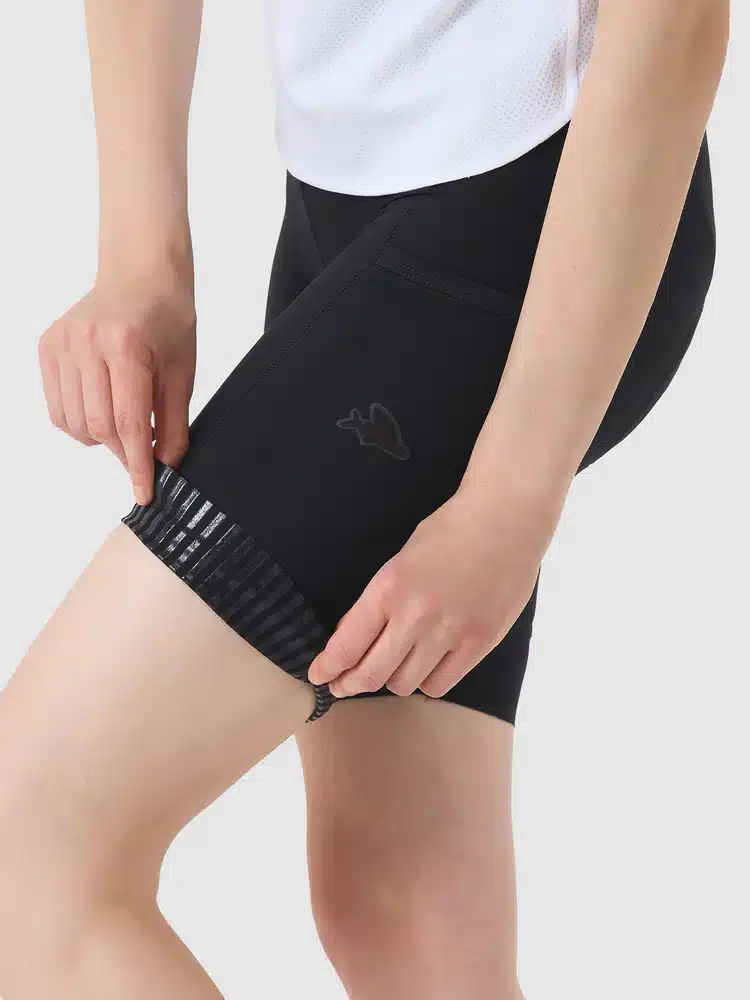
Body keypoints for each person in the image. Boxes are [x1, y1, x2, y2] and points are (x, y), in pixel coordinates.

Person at [0, 0, 728, 997]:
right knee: (400, 907)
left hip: (535, 208)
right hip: (345, 203)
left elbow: (676, 21)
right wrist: (141, 258)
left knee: (31, 845)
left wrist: (508, 501)